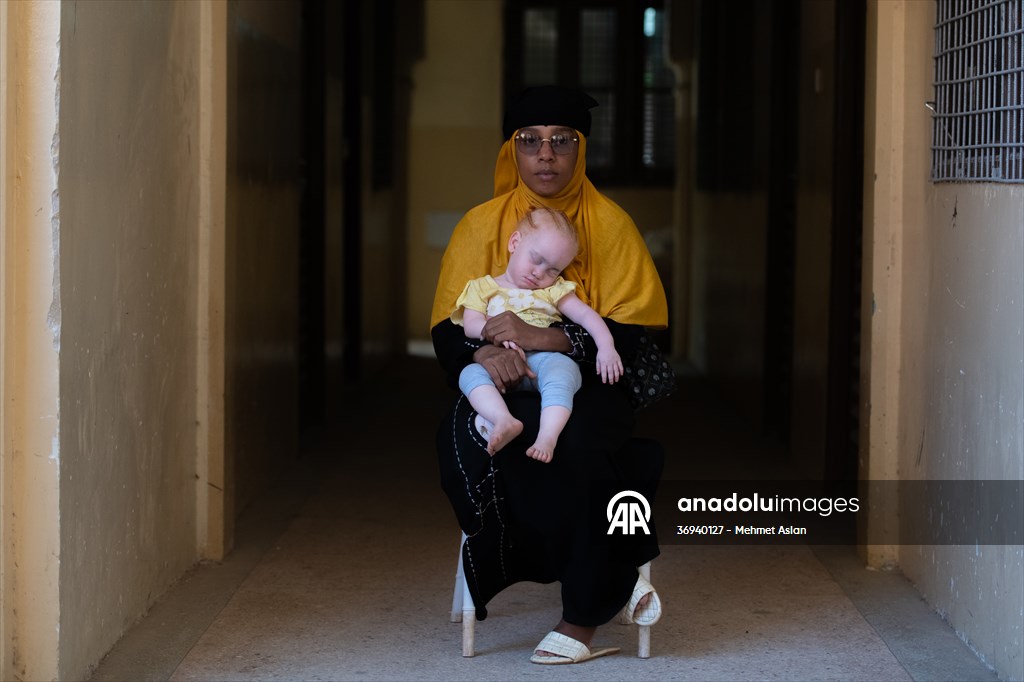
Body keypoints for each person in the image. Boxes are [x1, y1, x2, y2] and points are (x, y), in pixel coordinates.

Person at [432, 85, 668, 665]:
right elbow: (446, 326)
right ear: (512, 151)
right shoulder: (479, 225)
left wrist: (540, 338)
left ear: (579, 150)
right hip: (505, 387)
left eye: (561, 141)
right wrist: (484, 353)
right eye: (530, 141)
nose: (545, 155)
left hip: (589, 386)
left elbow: (634, 336)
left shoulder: (611, 227)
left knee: (580, 443)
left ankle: (584, 610)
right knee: (470, 434)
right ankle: (621, 566)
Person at [454, 205, 623, 462]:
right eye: (536, 259)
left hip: (544, 360)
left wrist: (606, 346)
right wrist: (499, 335)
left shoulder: (553, 290)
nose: (540, 273)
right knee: (469, 374)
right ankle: (503, 420)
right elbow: (471, 325)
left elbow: (587, 316)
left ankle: (548, 435)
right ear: (514, 242)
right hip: (501, 366)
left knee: (564, 371)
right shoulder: (482, 287)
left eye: (553, 270)